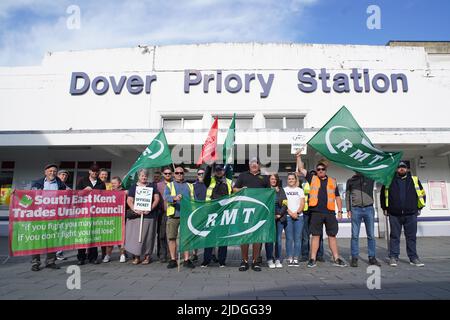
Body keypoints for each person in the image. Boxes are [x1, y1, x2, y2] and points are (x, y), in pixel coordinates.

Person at [296, 153, 347, 268]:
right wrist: (298, 156)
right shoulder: (312, 179)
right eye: (318, 169)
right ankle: (312, 258)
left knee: (332, 236)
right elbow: (301, 169)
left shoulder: (332, 181)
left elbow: (337, 197)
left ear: (325, 170)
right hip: (316, 213)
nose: (320, 171)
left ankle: (336, 258)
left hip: (329, 213)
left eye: (322, 169)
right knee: (315, 235)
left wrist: (340, 211)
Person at [381, 161, 426, 267]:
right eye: (399, 167)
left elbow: (422, 193)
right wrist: (384, 208)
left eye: (403, 167)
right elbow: (383, 195)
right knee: (394, 236)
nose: (401, 169)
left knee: (411, 237)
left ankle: (413, 258)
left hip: (411, 214)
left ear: (407, 169)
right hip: (394, 214)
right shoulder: (389, 180)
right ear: (396, 169)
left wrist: (420, 207)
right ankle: (393, 257)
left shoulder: (414, 180)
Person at [233, 157, 270, 272]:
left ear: (259, 165)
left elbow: (269, 193)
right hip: (244, 211)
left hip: (259, 212)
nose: (254, 165)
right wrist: (241, 190)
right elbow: (234, 189)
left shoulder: (264, 177)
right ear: (249, 165)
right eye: (252, 163)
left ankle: (255, 261)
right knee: (244, 236)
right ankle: (244, 261)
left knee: (257, 237)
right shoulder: (243, 176)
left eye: (256, 163)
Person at [30, 164, 67, 271]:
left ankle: (50, 262)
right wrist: (17, 196)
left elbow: (66, 199)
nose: (52, 173)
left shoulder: (61, 185)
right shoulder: (37, 183)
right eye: (50, 171)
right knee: (36, 240)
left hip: (54, 217)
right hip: (39, 216)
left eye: (54, 171)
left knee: (52, 240)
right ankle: (35, 263)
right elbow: (28, 197)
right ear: (45, 172)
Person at [125, 169, 160, 265]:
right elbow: (129, 200)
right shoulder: (133, 187)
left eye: (145, 176)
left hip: (149, 216)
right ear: (138, 176)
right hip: (137, 215)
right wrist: (134, 209)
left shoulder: (152, 186)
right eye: (142, 176)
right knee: (136, 236)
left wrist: (150, 209)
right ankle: (136, 257)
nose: (144, 177)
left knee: (148, 236)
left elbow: (156, 199)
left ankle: (147, 256)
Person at [346, 172, 380, 267]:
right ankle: (354, 257)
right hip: (356, 209)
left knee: (371, 235)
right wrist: (348, 209)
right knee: (355, 235)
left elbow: (379, 174)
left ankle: (372, 257)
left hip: (369, 209)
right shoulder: (350, 181)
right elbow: (347, 195)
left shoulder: (370, 178)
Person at [201, 164, 233, 268]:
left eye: (221, 170)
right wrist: (210, 167)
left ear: (224, 171)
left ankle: (222, 261)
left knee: (223, 238)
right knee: (209, 238)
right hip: (211, 214)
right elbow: (205, 177)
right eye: (217, 170)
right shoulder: (210, 180)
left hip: (224, 214)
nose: (219, 172)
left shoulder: (228, 182)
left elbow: (233, 195)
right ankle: (206, 260)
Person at [164, 165, 195, 269]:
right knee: (172, 237)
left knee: (186, 238)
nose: (179, 175)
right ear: (174, 174)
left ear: (184, 174)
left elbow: (193, 200)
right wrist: (174, 198)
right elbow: (166, 197)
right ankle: (173, 259)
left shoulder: (190, 186)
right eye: (177, 173)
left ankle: (186, 259)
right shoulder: (170, 185)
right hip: (173, 215)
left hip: (186, 215)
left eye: (181, 173)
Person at [76, 164, 106, 265]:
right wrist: (85, 191)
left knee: (94, 235)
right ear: (89, 171)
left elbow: (104, 198)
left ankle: (93, 257)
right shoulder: (82, 180)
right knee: (83, 235)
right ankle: (81, 257)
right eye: (93, 171)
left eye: (96, 171)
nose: (95, 173)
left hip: (95, 213)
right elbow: (76, 195)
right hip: (83, 212)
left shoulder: (101, 183)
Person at [299, 170, 325, 262]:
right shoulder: (303, 184)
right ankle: (305, 255)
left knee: (318, 235)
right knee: (305, 235)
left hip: (317, 212)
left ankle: (319, 255)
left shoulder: (321, 184)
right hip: (306, 212)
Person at [102, 176, 127, 263]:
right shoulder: (109, 193)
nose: (112, 185)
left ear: (119, 183)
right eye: (111, 183)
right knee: (110, 238)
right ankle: (107, 255)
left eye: (114, 183)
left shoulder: (124, 192)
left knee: (121, 238)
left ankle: (122, 255)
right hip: (111, 218)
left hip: (121, 218)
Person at [284, 173, 305, 267]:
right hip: (288, 216)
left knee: (297, 238)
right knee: (289, 238)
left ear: (296, 180)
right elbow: (284, 204)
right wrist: (290, 213)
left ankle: (296, 258)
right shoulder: (284, 190)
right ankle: (289, 257)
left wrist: (296, 213)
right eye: (289, 179)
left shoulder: (300, 190)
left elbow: (302, 204)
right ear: (287, 180)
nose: (291, 180)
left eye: (292, 178)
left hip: (299, 217)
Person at [189, 167, 207, 262]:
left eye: (203, 173)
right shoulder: (192, 185)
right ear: (197, 175)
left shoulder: (208, 184)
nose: (201, 175)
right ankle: (194, 253)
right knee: (195, 234)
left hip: (208, 212)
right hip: (196, 212)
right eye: (199, 174)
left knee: (209, 233)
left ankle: (212, 254)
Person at [270, 174, 288, 269]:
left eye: (275, 179)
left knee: (278, 240)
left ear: (277, 180)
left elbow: (285, 203)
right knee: (269, 239)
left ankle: (277, 259)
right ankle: (269, 259)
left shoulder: (281, 190)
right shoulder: (266, 190)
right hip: (269, 217)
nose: (273, 180)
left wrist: (279, 214)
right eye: (271, 179)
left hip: (279, 217)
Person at [156, 166, 172, 263]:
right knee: (161, 235)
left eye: (169, 173)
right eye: (166, 173)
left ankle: (171, 254)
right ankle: (162, 254)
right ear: (163, 174)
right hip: (162, 213)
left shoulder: (175, 184)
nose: (167, 175)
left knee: (171, 235)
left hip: (173, 212)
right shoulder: (158, 185)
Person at [55, 169, 70, 261]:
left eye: (65, 175)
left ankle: (59, 253)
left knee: (62, 234)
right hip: (50, 214)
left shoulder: (67, 188)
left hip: (63, 214)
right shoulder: (52, 185)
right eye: (62, 175)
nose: (64, 177)